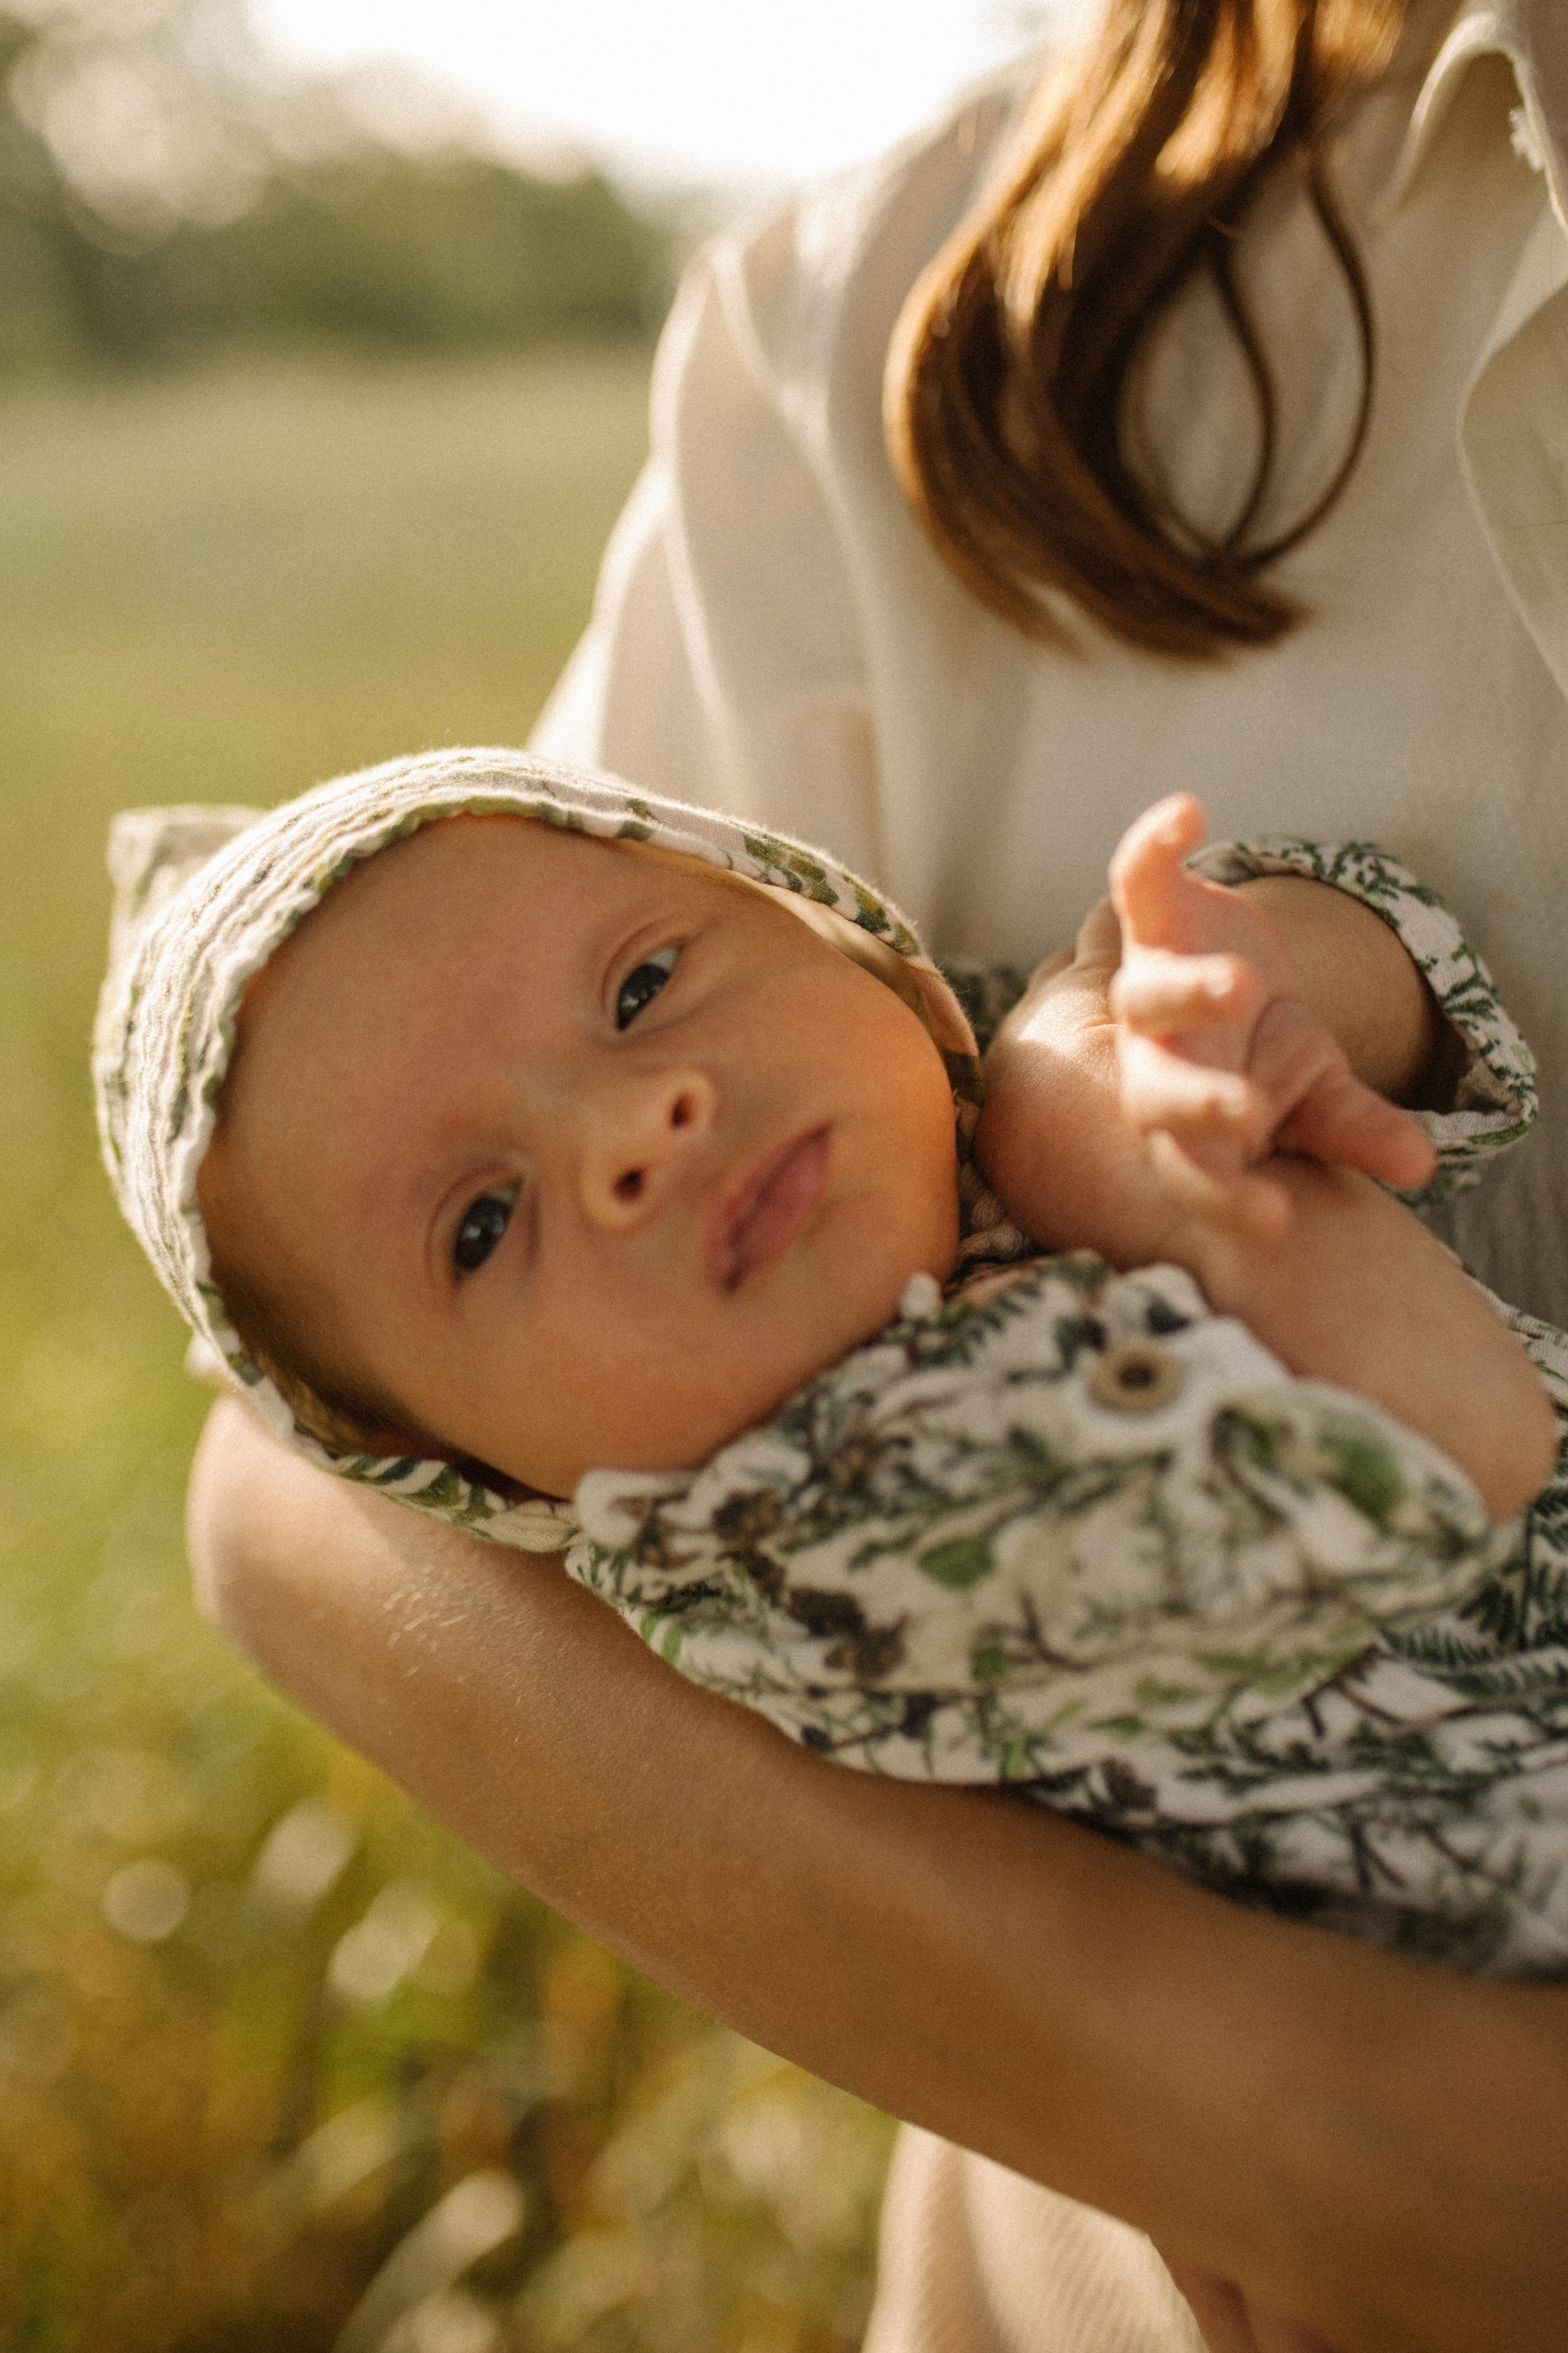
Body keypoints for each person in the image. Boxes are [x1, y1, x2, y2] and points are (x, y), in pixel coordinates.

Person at [183, 2, 1568, 2346]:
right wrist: (1263, 2091)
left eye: (644, 1002)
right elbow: (297, 1486)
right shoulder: (901, 323)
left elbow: (1399, 1083)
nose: (637, 1136)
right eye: (491, 1219)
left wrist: (1249, 1000)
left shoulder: (1052, 1115)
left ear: (862, 949)